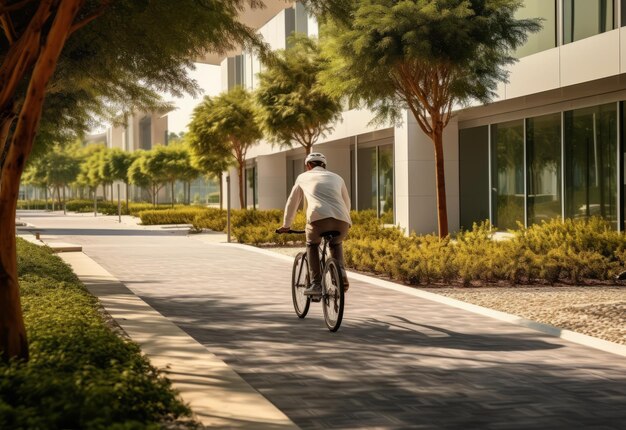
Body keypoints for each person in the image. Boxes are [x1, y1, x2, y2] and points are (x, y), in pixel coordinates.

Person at [277, 152, 351, 295]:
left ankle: (316, 284)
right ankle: (341, 278)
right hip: (342, 220)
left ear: (308, 166)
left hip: (318, 219)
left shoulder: (303, 177)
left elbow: (292, 203)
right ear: (324, 165)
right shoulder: (337, 178)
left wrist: (286, 225)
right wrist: (345, 221)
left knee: (312, 244)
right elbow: (346, 202)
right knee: (335, 244)